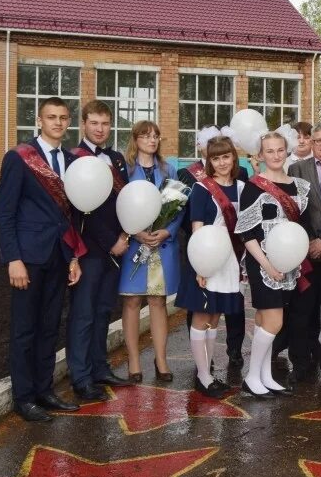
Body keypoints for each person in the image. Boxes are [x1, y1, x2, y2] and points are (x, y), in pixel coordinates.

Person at [0, 97, 84, 422]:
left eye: (63, 117)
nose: (58, 122)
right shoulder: (20, 159)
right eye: (51, 117)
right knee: (24, 329)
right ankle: (24, 396)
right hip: (28, 258)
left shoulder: (72, 161)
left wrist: (74, 256)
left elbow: (70, 215)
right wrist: (12, 259)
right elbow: (3, 213)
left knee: (49, 327)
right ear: (39, 120)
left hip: (59, 255)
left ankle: (44, 390)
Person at [237, 130, 310, 398]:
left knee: (263, 320)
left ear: (286, 150)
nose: (276, 155)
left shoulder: (300, 186)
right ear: (260, 155)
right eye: (270, 151)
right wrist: (267, 265)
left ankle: (265, 375)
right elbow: (246, 232)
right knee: (274, 321)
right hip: (262, 264)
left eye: (280, 150)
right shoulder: (254, 186)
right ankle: (251, 377)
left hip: (288, 263)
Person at [66, 101, 132, 401]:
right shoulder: (74, 159)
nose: (100, 129)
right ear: (84, 124)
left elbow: (127, 202)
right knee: (83, 315)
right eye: (94, 123)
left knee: (104, 311)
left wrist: (124, 235)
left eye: (105, 123)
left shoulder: (116, 159)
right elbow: (84, 210)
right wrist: (111, 242)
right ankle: (80, 377)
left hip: (114, 250)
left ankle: (99, 368)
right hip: (88, 249)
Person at [174, 135, 245, 397]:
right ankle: (203, 376)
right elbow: (196, 229)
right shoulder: (202, 189)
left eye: (226, 156)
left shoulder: (241, 187)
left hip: (230, 260)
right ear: (209, 161)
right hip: (206, 258)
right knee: (202, 316)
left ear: (234, 158)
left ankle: (210, 374)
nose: (222, 162)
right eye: (216, 158)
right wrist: (200, 266)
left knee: (215, 317)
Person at [119, 121, 183, 385]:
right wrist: (134, 232)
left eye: (156, 135)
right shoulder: (125, 170)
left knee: (157, 302)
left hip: (161, 244)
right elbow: (118, 206)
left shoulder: (169, 170)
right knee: (132, 301)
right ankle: (134, 361)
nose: (152, 139)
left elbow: (179, 206)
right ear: (136, 139)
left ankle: (161, 360)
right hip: (133, 245)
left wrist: (166, 232)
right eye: (146, 135)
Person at [286, 122, 321, 383]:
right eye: (318, 140)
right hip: (304, 252)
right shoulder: (297, 169)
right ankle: (301, 361)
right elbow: (293, 211)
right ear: (312, 143)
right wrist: (310, 241)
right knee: (302, 310)